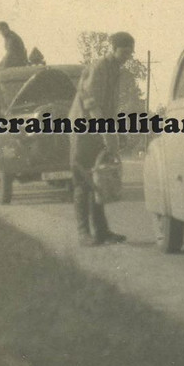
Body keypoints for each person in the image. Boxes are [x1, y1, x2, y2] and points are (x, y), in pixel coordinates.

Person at [69, 31, 134, 246]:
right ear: (113, 49)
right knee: (83, 181)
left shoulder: (116, 70)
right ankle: (83, 234)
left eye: (130, 52)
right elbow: (92, 104)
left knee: (99, 181)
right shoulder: (99, 67)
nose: (128, 56)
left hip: (97, 129)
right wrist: (107, 133)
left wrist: (112, 133)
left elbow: (109, 108)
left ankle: (101, 231)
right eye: (124, 51)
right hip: (83, 129)